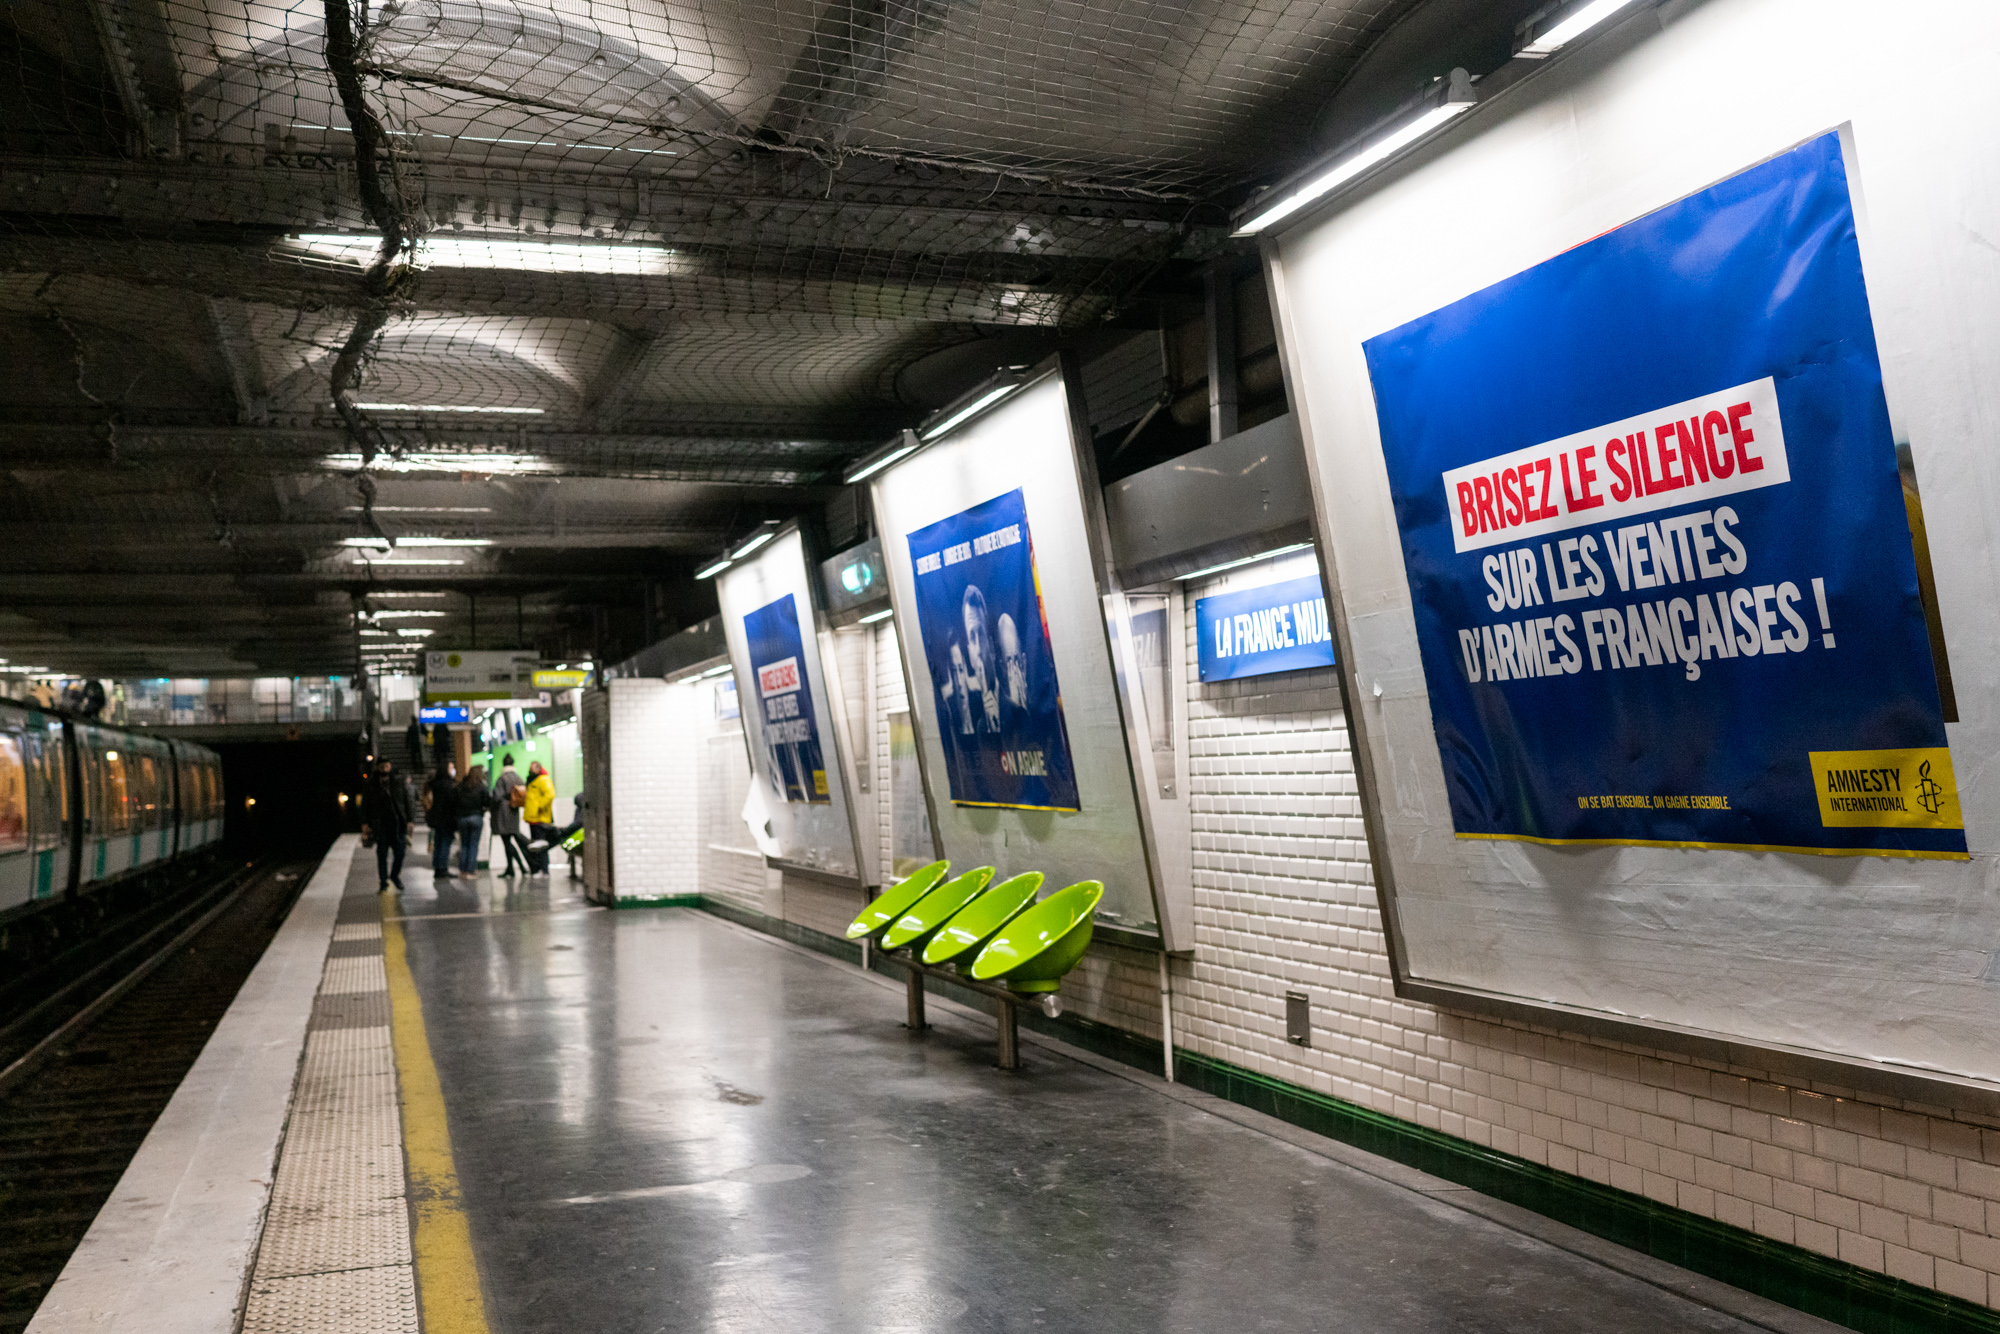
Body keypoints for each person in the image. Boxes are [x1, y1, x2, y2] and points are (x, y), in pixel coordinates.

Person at [359, 757, 414, 891]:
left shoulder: (398, 782)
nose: (385, 769)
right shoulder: (371, 784)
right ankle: (383, 881)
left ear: (390, 766)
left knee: (400, 852)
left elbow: (407, 801)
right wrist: (365, 823)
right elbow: (365, 804)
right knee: (382, 854)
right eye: (382, 766)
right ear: (378, 767)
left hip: (397, 823)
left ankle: (394, 875)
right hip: (380, 824)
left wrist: (410, 820)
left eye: (387, 766)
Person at [490, 753, 528, 877]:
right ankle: (516, 867)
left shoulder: (502, 779)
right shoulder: (518, 778)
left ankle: (516, 868)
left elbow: (497, 797)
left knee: (506, 842)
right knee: (511, 841)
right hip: (514, 811)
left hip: (503, 812)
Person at [424, 760, 459, 878]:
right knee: (445, 843)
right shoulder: (448, 785)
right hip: (446, 818)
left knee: (438, 843)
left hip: (436, 818)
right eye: (451, 768)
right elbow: (451, 802)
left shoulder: (435, 784)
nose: (453, 770)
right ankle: (443, 868)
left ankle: (437, 868)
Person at [521, 760, 557, 874]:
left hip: (541, 819)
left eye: (533, 768)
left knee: (542, 845)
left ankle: (544, 870)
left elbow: (550, 794)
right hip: (533, 819)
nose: (531, 770)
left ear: (539, 769)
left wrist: (539, 806)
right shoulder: (532, 781)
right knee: (536, 846)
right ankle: (538, 869)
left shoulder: (543, 780)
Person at [456, 763, 489, 875]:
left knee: (464, 844)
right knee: (473, 845)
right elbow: (486, 800)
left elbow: (455, 800)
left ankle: (462, 870)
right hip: (476, 817)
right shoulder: (480, 786)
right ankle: (470, 870)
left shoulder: (461, 785)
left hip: (462, 818)